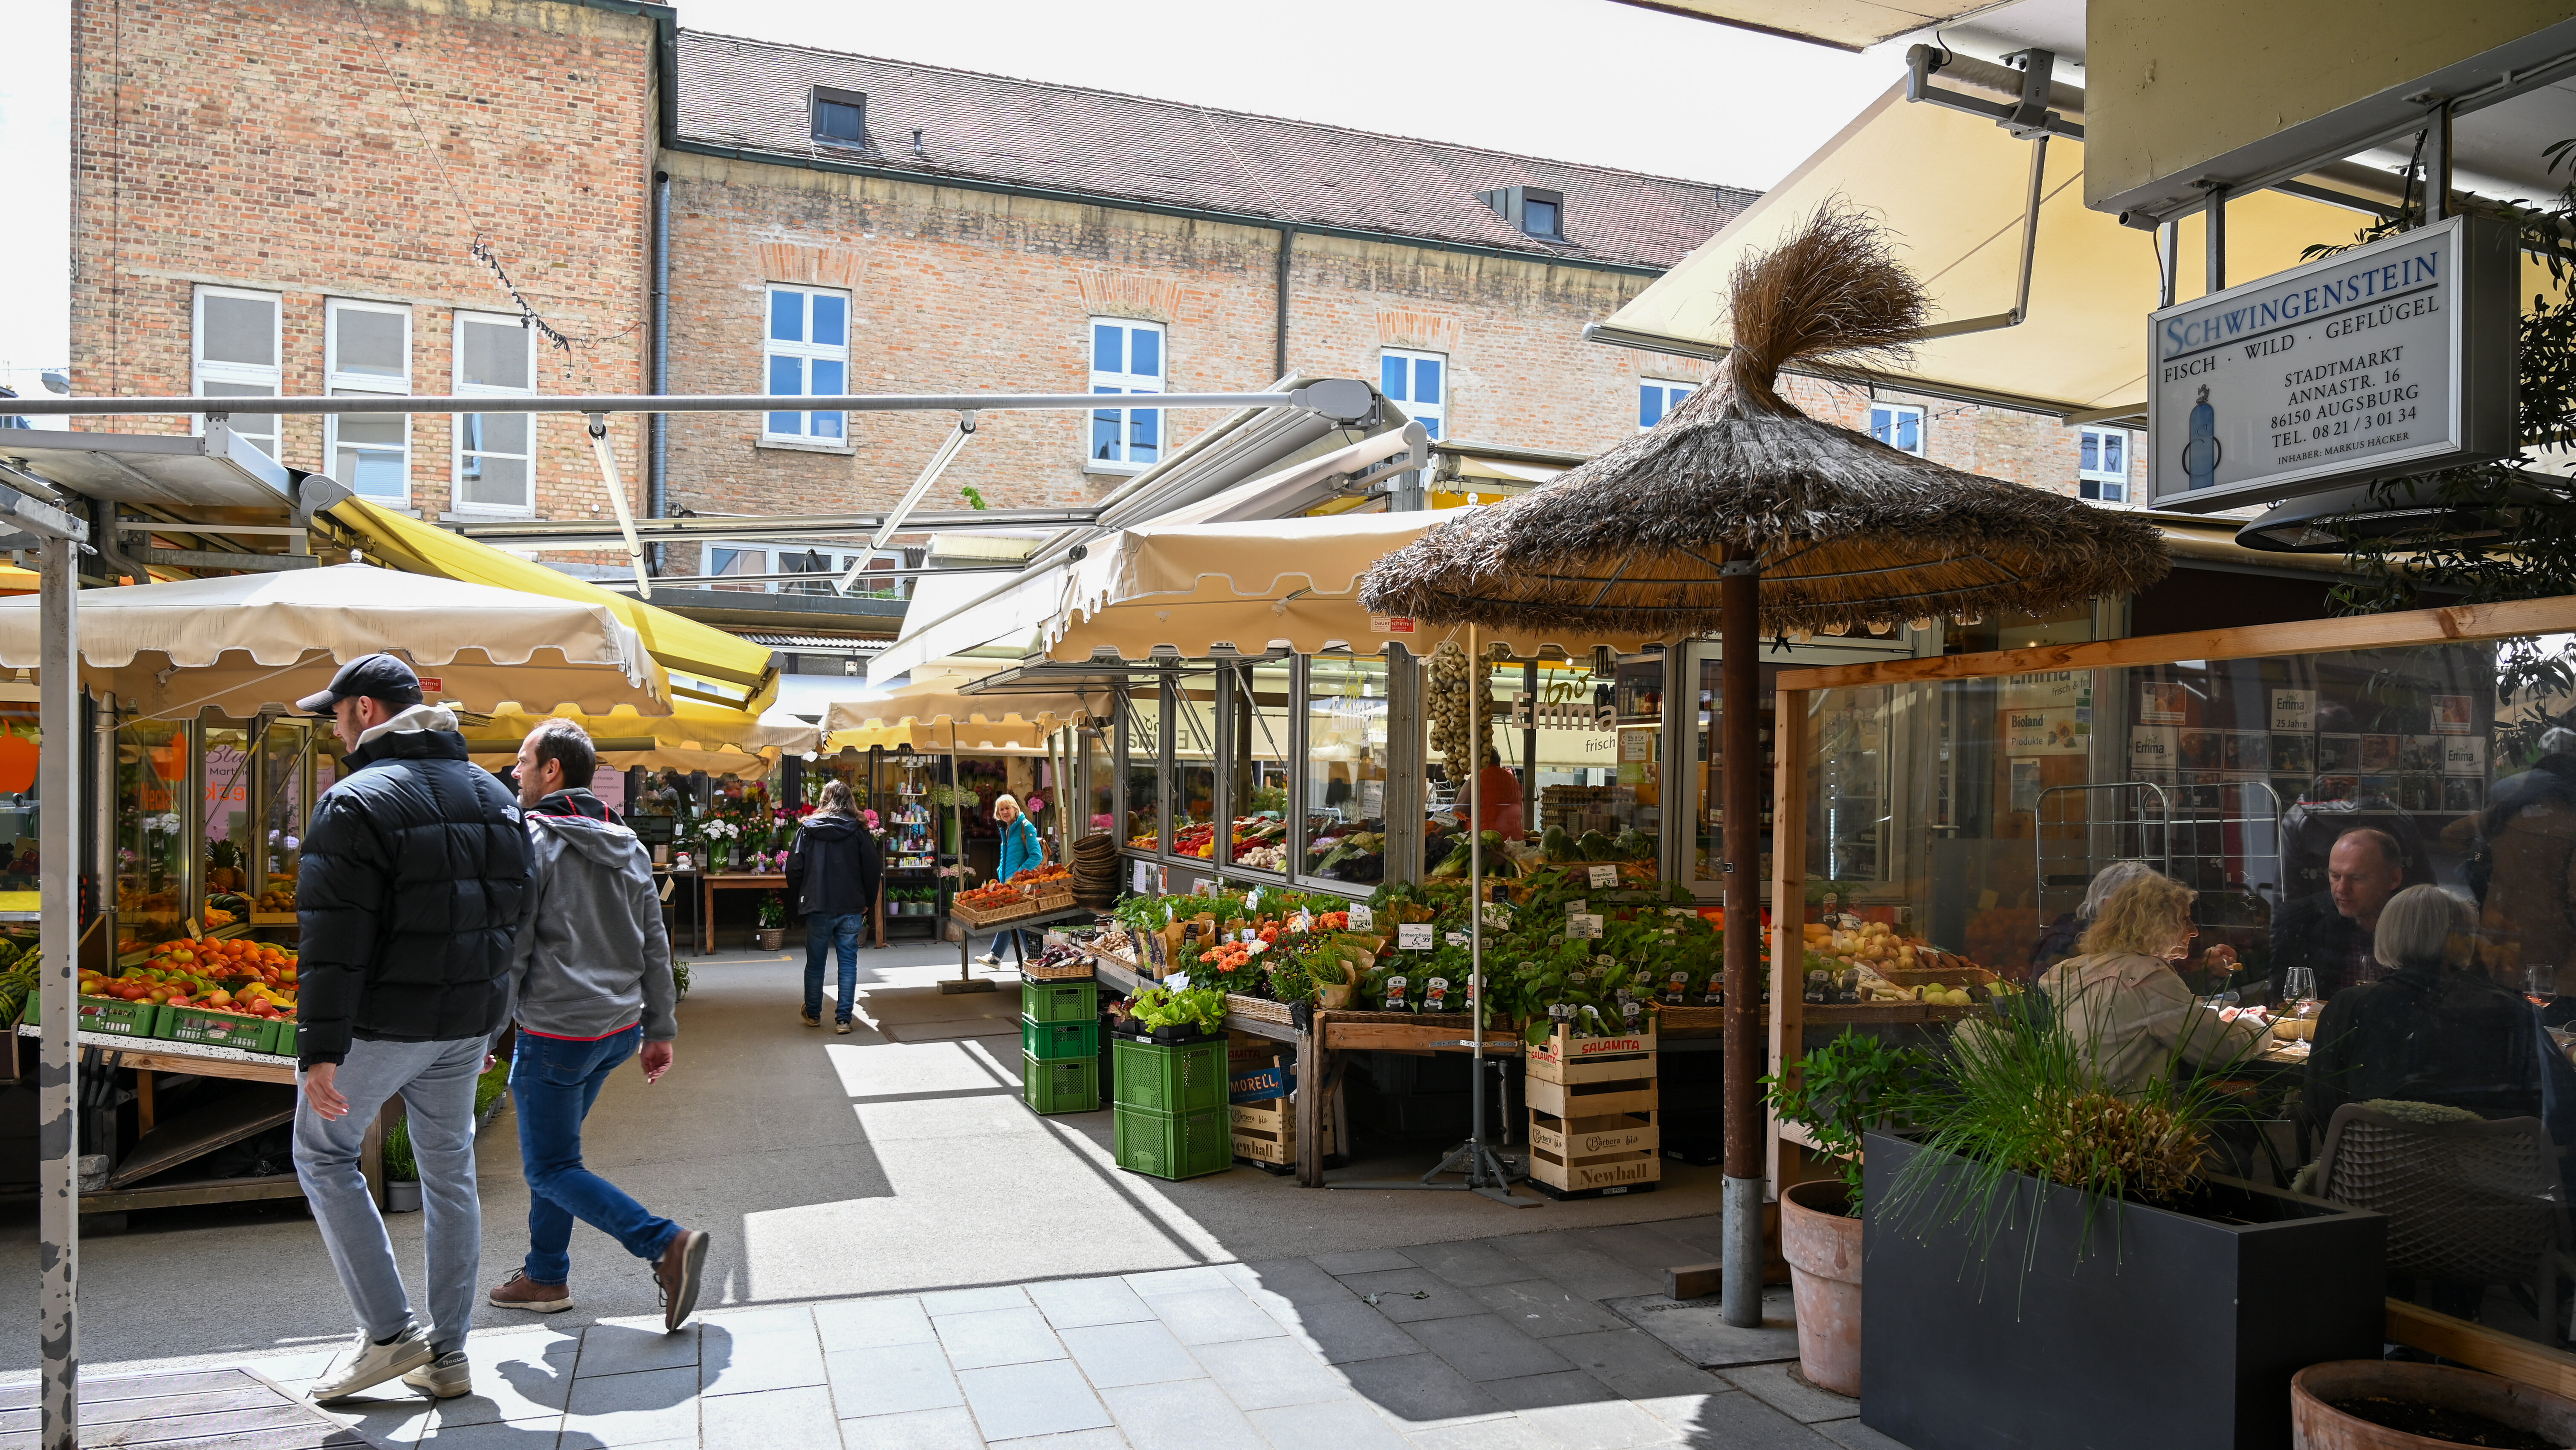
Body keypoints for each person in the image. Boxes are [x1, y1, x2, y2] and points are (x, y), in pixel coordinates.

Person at [289, 654, 530, 1403]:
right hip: (467, 1021)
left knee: (323, 1154)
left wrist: (320, 1050)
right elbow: (516, 919)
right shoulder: (495, 794)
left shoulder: (354, 800)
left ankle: (390, 1335)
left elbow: (334, 941)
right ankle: (448, 1354)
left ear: (364, 710)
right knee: (448, 1169)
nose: (332, 726)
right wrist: (498, 1018)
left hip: (385, 1023)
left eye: (334, 713)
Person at [490, 719, 708, 1335]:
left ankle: (663, 1243)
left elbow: (515, 951)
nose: (515, 771)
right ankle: (546, 1275)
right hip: (613, 1032)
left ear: (552, 770)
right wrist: (659, 1028)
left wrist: (485, 1034)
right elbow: (654, 944)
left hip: (556, 1033)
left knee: (550, 1166)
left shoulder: (533, 842)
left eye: (522, 761)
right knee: (558, 1154)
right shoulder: (629, 844)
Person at [2306, 884, 2543, 1128]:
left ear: (2388, 933)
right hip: (2482, 1162)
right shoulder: (2510, 1009)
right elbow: (2548, 1106)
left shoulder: (2351, 1005)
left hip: (2371, 1161)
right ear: (2463, 938)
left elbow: (2320, 1104)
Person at [2031, 870, 2267, 1097]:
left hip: (2072, 1118)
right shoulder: (2148, 977)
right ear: (2155, 924)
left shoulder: (2084, 967)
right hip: (2129, 1125)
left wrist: (2207, 1017)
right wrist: (2257, 1024)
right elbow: (2220, 1048)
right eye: (2185, 919)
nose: (2194, 931)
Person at [2472, 727, 2576, 988]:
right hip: (2557, 926)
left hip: (2506, 916)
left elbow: (2476, 848)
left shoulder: (2508, 789)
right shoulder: (2569, 797)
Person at [785, 779, 881, 1031]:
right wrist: (868, 902)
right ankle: (844, 1020)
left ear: (824, 799)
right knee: (848, 962)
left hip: (818, 904)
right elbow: (873, 869)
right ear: (850, 800)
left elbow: (794, 868)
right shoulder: (859, 830)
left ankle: (814, 1014)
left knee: (816, 962)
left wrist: (800, 898)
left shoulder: (808, 829)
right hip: (851, 904)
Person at [2270, 827, 2408, 999]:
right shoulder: (2301, 922)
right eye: (2335, 876)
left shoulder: (2418, 925)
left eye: (2357, 879)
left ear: (2394, 879)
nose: (2341, 889)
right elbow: (2282, 1002)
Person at [973, 793, 1043, 970]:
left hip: (1020, 884)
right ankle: (1007, 957)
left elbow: (1037, 856)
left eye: (1007, 808)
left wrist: (1018, 875)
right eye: (1001, 809)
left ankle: (1033, 958)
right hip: (1009, 883)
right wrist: (1002, 874)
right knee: (1011, 919)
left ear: (1015, 809)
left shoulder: (1025, 827)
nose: (1005, 812)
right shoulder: (1006, 828)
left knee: (1018, 920)